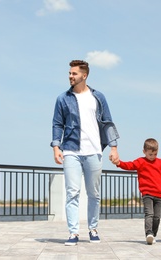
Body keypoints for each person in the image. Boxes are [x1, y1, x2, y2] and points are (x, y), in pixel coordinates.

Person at [50, 60, 120, 246]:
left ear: (84, 75)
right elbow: (57, 123)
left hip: (94, 150)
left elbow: (108, 122)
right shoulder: (62, 99)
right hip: (71, 149)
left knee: (94, 193)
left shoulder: (98, 97)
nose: (70, 76)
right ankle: (73, 232)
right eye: (70, 73)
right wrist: (56, 147)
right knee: (72, 192)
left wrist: (113, 147)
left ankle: (93, 229)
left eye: (74, 73)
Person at [112, 138, 161, 245]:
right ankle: (148, 233)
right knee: (149, 214)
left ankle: (153, 234)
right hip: (147, 193)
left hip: (159, 195)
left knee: (157, 217)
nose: (152, 157)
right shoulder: (140, 162)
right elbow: (129, 165)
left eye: (155, 154)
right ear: (144, 151)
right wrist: (119, 163)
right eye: (150, 154)